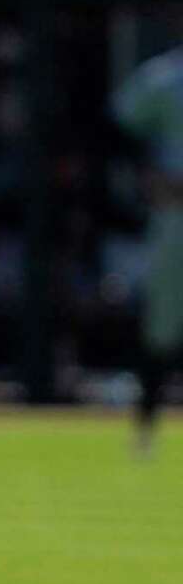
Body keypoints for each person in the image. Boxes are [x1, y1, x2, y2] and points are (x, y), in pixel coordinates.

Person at [112, 43, 183, 448]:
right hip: (175, 213)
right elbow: (116, 127)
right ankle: (145, 430)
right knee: (163, 324)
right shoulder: (167, 75)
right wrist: (149, 174)